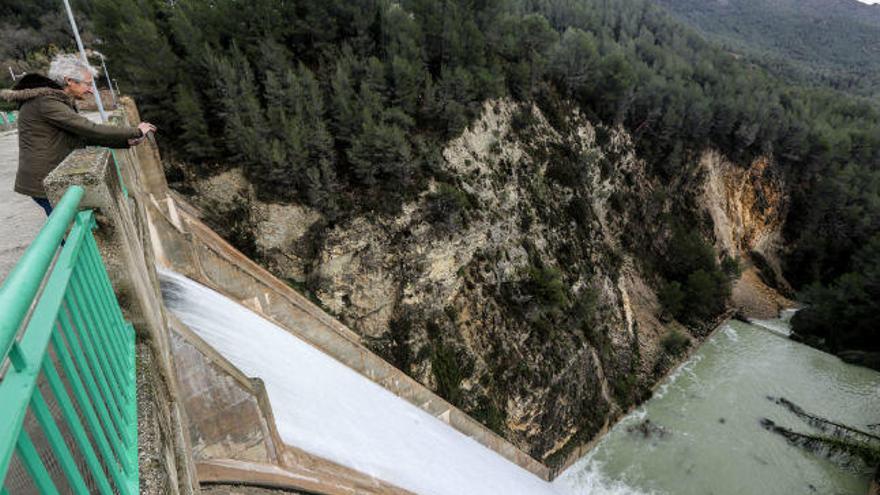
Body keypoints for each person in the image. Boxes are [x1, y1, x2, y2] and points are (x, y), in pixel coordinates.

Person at [0, 53, 156, 216]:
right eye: (87, 84)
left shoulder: (51, 100)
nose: (90, 90)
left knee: (69, 228)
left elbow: (79, 134)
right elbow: (89, 128)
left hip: (49, 177)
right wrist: (136, 131)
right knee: (66, 232)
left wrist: (125, 141)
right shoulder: (46, 102)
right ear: (69, 81)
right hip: (45, 181)